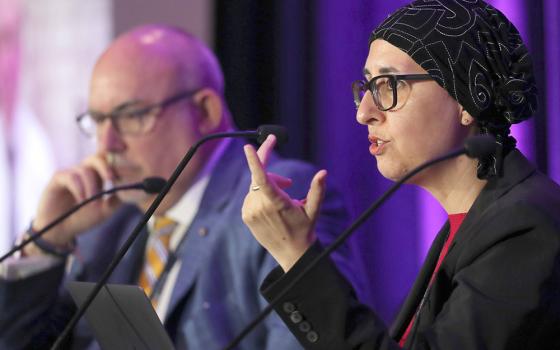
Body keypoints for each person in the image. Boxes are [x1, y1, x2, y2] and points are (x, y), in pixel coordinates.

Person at [0, 25, 353, 349]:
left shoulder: (274, 197)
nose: (107, 145)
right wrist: (47, 242)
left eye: (132, 116)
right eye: (97, 121)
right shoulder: (107, 222)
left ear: (204, 111)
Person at [241, 0, 560, 349]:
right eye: (367, 87)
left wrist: (296, 254)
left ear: (466, 98)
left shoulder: (524, 226)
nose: (365, 113)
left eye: (388, 85)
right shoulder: (474, 224)